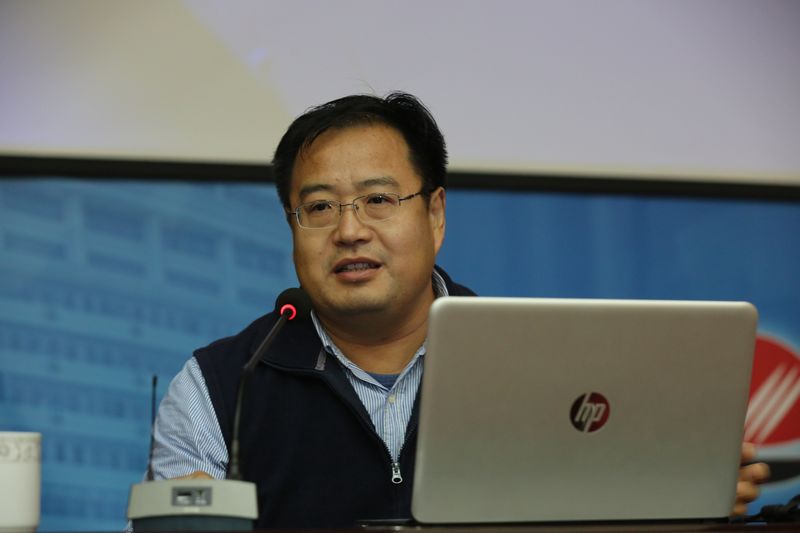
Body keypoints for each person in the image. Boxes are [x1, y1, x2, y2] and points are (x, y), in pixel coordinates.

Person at [150, 92, 769, 527]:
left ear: (435, 215)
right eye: (319, 208)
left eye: (378, 199)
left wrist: (675, 506)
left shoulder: (548, 364)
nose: (350, 230)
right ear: (292, 227)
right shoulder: (222, 386)